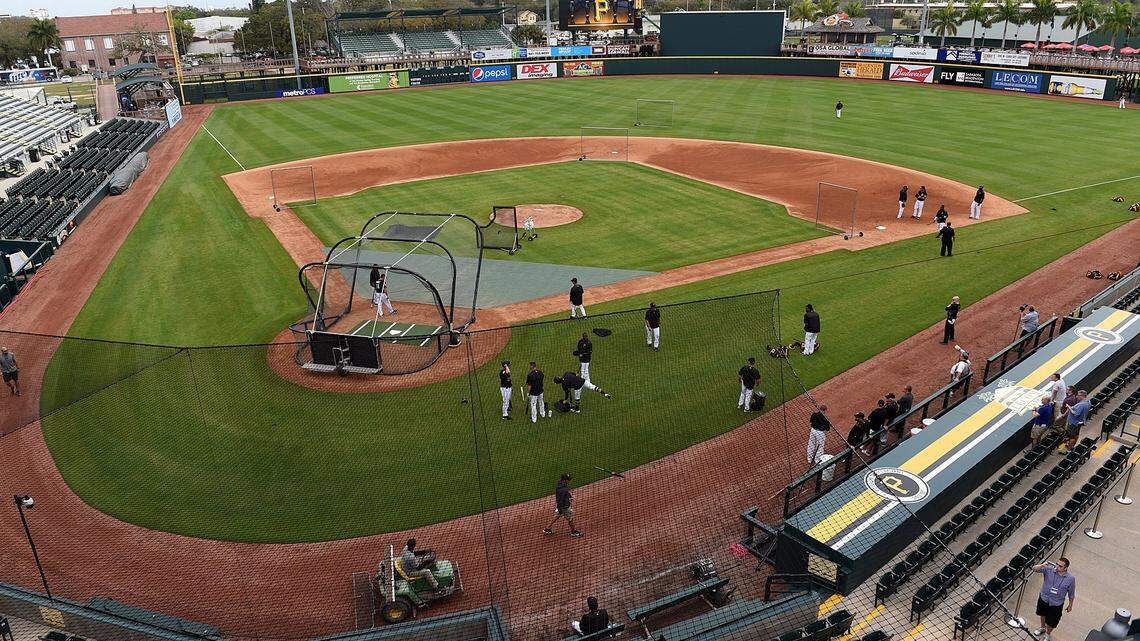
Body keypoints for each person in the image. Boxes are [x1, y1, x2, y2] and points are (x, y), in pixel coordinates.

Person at [1032, 558, 1076, 641]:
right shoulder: (1049, 569)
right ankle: (1042, 627)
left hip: (1056, 603)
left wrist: (1070, 605)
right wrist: (1042, 565)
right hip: (1044, 598)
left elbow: (1071, 593)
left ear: (1065, 568)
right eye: (1057, 564)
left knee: (1052, 621)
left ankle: (1048, 634)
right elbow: (1034, 569)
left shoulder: (1070, 579)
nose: (1057, 566)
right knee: (1042, 614)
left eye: (1060, 566)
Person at [544, 473, 581, 537]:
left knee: (557, 516)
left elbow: (566, 492)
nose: (569, 481)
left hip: (562, 505)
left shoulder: (561, 484)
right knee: (570, 518)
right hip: (564, 507)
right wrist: (560, 508)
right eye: (568, 479)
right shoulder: (562, 489)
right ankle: (573, 531)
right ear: (564, 480)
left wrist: (569, 496)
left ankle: (547, 528)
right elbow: (560, 500)